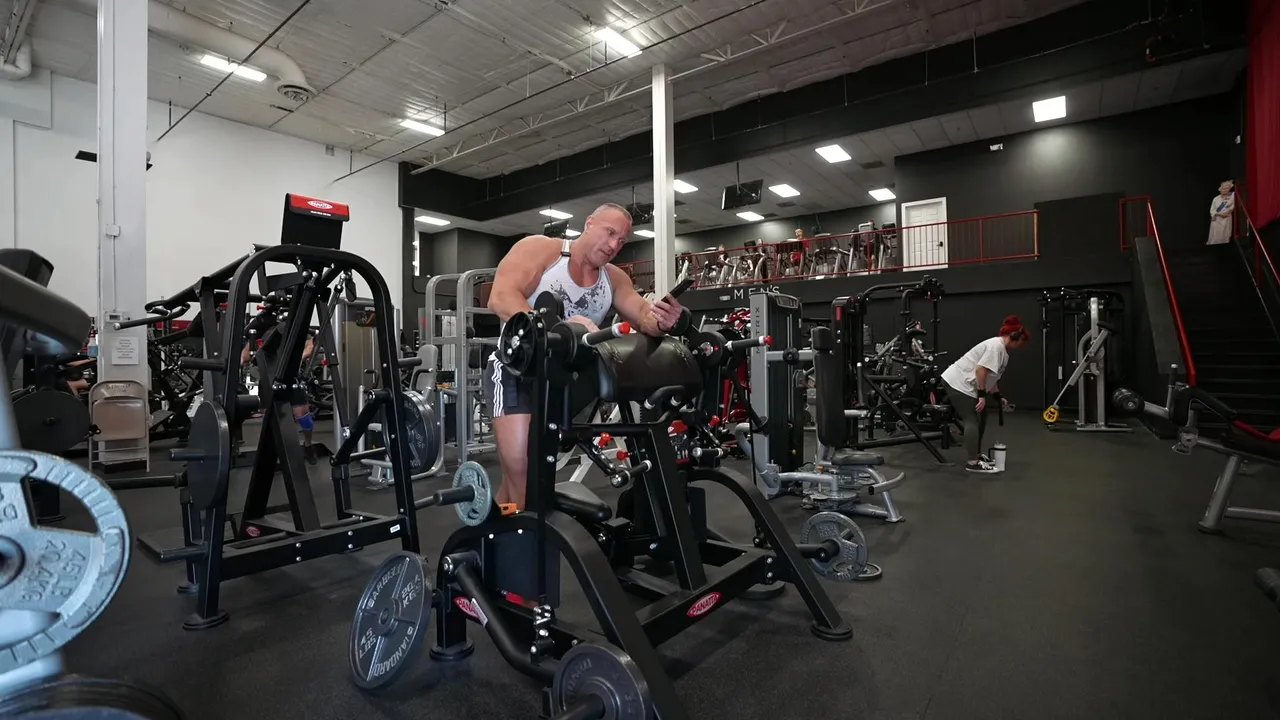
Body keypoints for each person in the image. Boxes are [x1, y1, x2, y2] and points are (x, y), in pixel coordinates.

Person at [484, 203, 686, 510]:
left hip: (564, 383)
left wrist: (662, 320)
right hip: (517, 372)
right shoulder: (542, 250)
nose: (614, 245)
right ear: (589, 223)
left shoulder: (613, 278)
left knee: (527, 476)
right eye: (610, 232)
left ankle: (492, 529)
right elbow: (500, 297)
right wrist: (558, 327)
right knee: (524, 472)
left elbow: (643, 315)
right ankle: (510, 535)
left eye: (622, 240)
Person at [940, 315, 1029, 473]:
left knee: (982, 417)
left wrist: (997, 396)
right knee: (972, 419)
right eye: (1022, 341)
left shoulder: (1002, 351)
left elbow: (991, 376)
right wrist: (982, 395)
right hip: (957, 382)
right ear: (1015, 336)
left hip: (967, 384)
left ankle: (976, 455)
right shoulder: (996, 347)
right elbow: (981, 370)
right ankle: (972, 462)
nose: (1022, 345)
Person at [242, 330, 318, 464]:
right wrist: (255, 356)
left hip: (292, 377)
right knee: (269, 420)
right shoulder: (262, 329)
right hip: (268, 379)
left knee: (303, 416)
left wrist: (298, 358)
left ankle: (308, 445)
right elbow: (245, 355)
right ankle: (273, 451)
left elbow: (310, 345)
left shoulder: (291, 327)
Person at [1206, 180, 1235, 246]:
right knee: (1215, 236)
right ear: (1220, 189)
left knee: (1225, 235)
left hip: (1226, 219)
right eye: (1223, 188)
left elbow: (1232, 207)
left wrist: (1226, 212)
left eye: (1227, 188)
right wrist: (1219, 214)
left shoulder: (1232, 196)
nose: (1225, 190)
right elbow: (1212, 210)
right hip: (1216, 220)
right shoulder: (1216, 199)